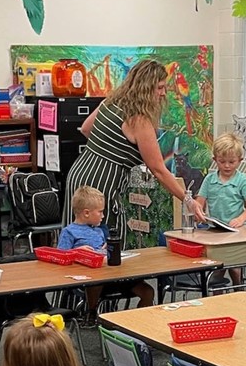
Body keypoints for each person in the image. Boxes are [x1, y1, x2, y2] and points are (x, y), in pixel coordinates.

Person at [63, 60, 206, 241]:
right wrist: (187, 200)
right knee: (104, 242)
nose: (163, 93)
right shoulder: (139, 120)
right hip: (103, 182)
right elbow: (158, 169)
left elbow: (85, 129)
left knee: (74, 237)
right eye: (159, 88)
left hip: (80, 172)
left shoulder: (112, 101)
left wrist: (107, 148)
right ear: (145, 88)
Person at [59, 187, 154, 318]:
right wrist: (76, 252)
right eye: (100, 212)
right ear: (86, 213)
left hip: (113, 274)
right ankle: (91, 314)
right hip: (90, 278)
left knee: (148, 291)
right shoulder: (69, 232)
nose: (103, 216)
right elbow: (59, 257)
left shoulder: (99, 230)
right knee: (96, 281)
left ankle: (140, 320)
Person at [197, 133, 246, 286]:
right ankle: (218, 296)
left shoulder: (242, 180)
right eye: (222, 162)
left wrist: (240, 219)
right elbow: (200, 202)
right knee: (216, 269)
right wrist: (199, 213)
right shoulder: (209, 180)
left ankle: (239, 291)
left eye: (232, 162)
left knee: (235, 268)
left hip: (237, 231)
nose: (227, 166)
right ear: (215, 160)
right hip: (216, 230)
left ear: (240, 161)